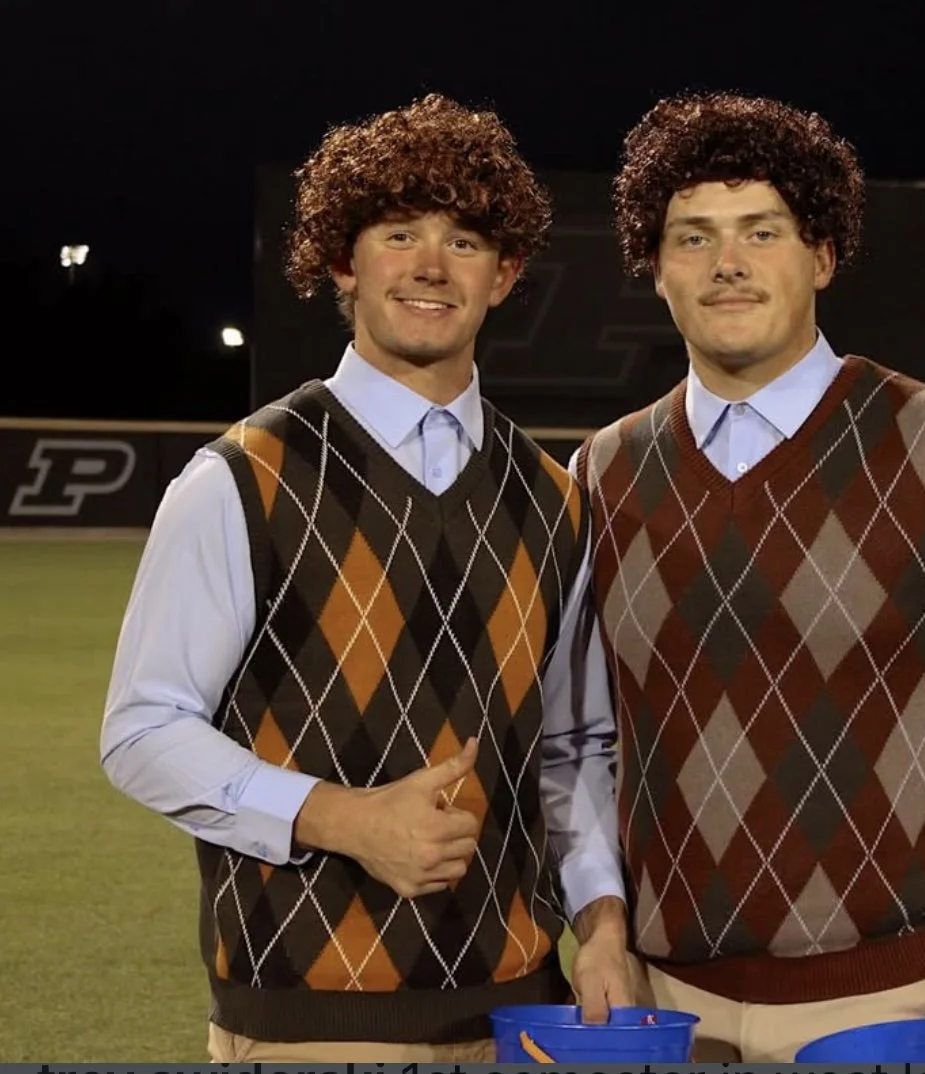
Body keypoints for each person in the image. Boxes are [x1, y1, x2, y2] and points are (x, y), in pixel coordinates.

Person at [570, 91, 925, 1064]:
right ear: (654, 268)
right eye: (693, 237)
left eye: (762, 230)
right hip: (663, 1008)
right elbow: (576, 736)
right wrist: (600, 921)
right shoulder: (601, 471)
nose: (728, 262)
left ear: (821, 254)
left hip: (891, 1005)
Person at [100, 93, 630, 1064]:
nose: (431, 265)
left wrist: (599, 919)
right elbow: (141, 730)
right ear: (343, 261)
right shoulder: (242, 477)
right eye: (399, 233)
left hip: (518, 1018)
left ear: (505, 274)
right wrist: (342, 818)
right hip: (308, 1024)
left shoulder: (554, 497)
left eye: (466, 241)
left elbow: (569, 751)